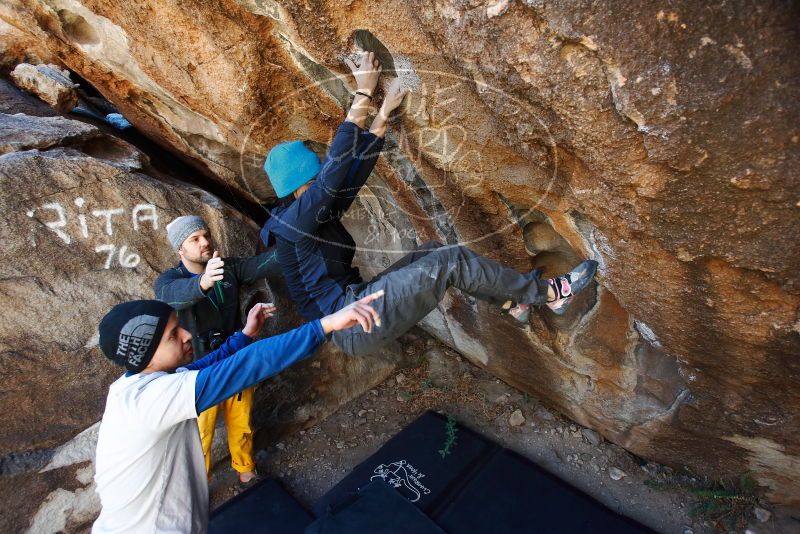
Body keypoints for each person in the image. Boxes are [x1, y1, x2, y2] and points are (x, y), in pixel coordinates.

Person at [260, 51, 598, 358]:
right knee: (448, 262)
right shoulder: (292, 223)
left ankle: (514, 300)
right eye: (312, 182)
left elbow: (351, 173)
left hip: (357, 303)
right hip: (350, 323)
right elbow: (334, 172)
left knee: (432, 251)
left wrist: (385, 109)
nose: (321, 184)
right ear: (297, 191)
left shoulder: (311, 212)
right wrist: (362, 92)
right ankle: (551, 292)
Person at [93, 293, 383, 533]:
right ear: (145, 352)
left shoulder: (132, 386)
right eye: (172, 334)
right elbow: (250, 364)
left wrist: (244, 335)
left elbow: (204, 367)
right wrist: (325, 325)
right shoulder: (153, 401)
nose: (185, 334)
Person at [153, 215, 278, 483]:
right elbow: (170, 296)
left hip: (235, 356)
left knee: (241, 421)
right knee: (201, 433)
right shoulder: (169, 281)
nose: (205, 242)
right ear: (180, 249)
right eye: (194, 239)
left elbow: (265, 264)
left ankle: (245, 470)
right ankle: (199, 486)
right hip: (198, 371)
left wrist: (300, 243)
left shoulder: (227, 268)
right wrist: (203, 282)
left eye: (206, 235)